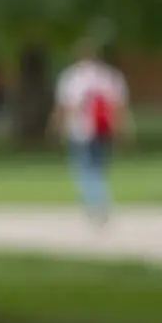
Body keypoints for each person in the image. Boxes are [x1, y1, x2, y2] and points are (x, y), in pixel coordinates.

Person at [52, 42, 131, 223]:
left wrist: (59, 127)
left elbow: (67, 106)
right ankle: (98, 201)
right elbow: (119, 106)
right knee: (98, 167)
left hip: (80, 130)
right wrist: (122, 129)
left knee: (84, 169)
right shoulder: (109, 76)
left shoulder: (72, 76)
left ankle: (97, 202)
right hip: (103, 129)